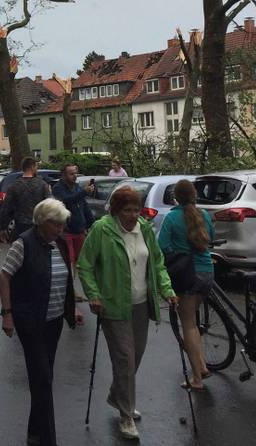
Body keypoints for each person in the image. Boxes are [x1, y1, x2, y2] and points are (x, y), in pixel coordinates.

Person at [77, 187, 177, 440]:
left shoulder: (144, 229)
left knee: (136, 357)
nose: (133, 215)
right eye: (127, 211)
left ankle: (117, 395)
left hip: (142, 304)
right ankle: (125, 415)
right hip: (113, 305)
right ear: (116, 210)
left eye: (136, 210)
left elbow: (156, 261)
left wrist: (167, 289)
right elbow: (85, 265)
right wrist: (94, 294)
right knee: (125, 359)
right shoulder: (102, 230)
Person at [0, 198, 83, 446]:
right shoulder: (23, 244)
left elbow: (66, 279)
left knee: (43, 379)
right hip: (30, 320)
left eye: (62, 224)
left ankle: (34, 433)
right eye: (56, 224)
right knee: (43, 380)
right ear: (42, 222)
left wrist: (72, 308)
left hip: (53, 320)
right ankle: (47, 439)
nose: (61, 229)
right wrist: (7, 313)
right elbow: (4, 276)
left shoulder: (60, 244)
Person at [157, 179, 216, 391]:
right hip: (207, 271)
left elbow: (161, 246)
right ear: (195, 195)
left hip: (186, 274)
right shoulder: (205, 215)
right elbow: (210, 238)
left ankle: (197, 378)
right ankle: (201, 364)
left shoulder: (172, 217)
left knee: (189, 324)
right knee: (193, 318)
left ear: (175, 197)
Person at [0, 157, 52, 243]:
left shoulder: (14, 186)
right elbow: (50, 205)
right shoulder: (42, 185)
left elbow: (6, 208)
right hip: (38, 227)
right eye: (36, 167)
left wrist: (3, 228)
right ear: (32, 167)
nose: (37, 170)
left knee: (21, 252)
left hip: (20, 227)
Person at [51, 163, 95, 267]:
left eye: (76, 173)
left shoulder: (77, 187)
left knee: (80, 264)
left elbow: (84, 206)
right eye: (71, 174)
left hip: (80, 231)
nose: (75, 176)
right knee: (69, 263)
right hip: (66, 232)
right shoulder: (58, 188)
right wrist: (83, 192)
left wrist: (92, 223)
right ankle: (70, 283)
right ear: (64, 175)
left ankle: (73, 281)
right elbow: (66, 201)